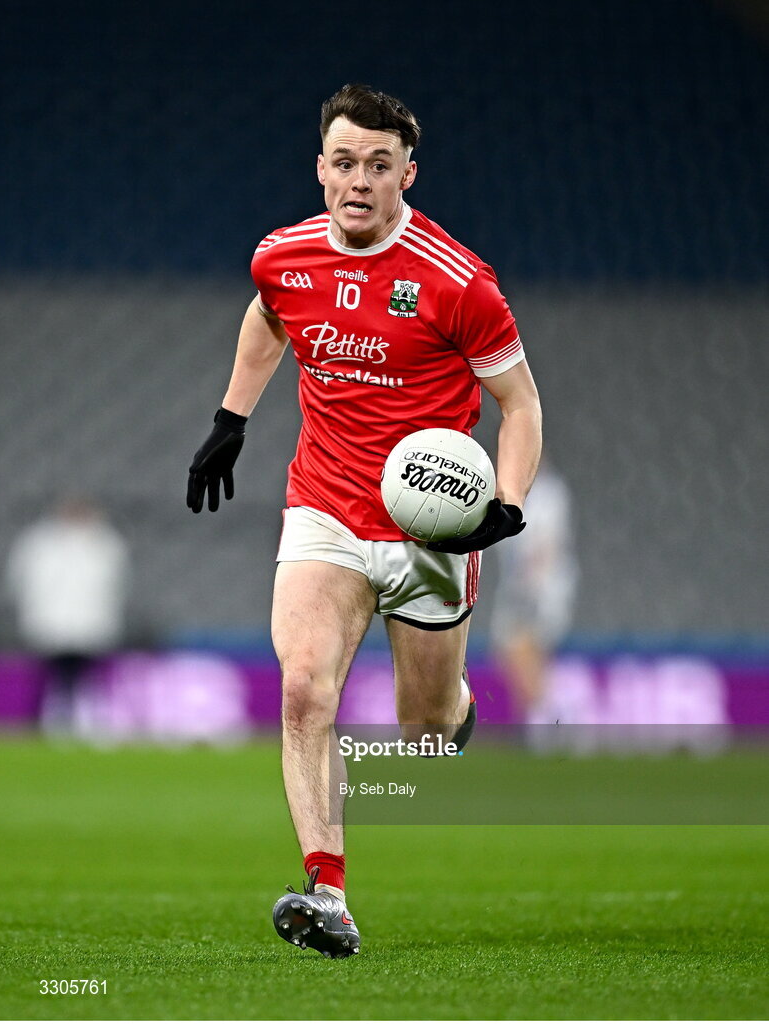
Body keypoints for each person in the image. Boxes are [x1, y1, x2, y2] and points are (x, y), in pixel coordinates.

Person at [187, 84, 542, 958]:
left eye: (377, 165)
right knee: (305, 686)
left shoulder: (459, 283)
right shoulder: (284, 256)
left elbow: (521, 406)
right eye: (343, 162)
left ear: (405, 175)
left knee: (422, 730)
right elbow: (270, 316)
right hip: (325, 508)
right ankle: (329, 893)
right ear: (320, 168)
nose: (357, 180)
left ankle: (455, 711)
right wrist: (232, 419)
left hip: (430, 531)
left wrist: (506, 508)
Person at [5, 495, 130, 734]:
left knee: (88, 679)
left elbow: (117, 583)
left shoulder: (105, 542)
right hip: (50, 622)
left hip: (91, 622)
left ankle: (90, 724)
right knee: (52, 679)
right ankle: (50, 725)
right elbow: (21, 579)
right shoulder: (39, 541)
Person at [489, 457, 578, 728]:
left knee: (520, 645)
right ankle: (540, 717)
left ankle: (548, 718)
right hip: (520, 585)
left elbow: (548, 543)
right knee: (514, 650)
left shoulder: (549, 492)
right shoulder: (506, 492)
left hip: (540, 586)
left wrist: (532, 585)